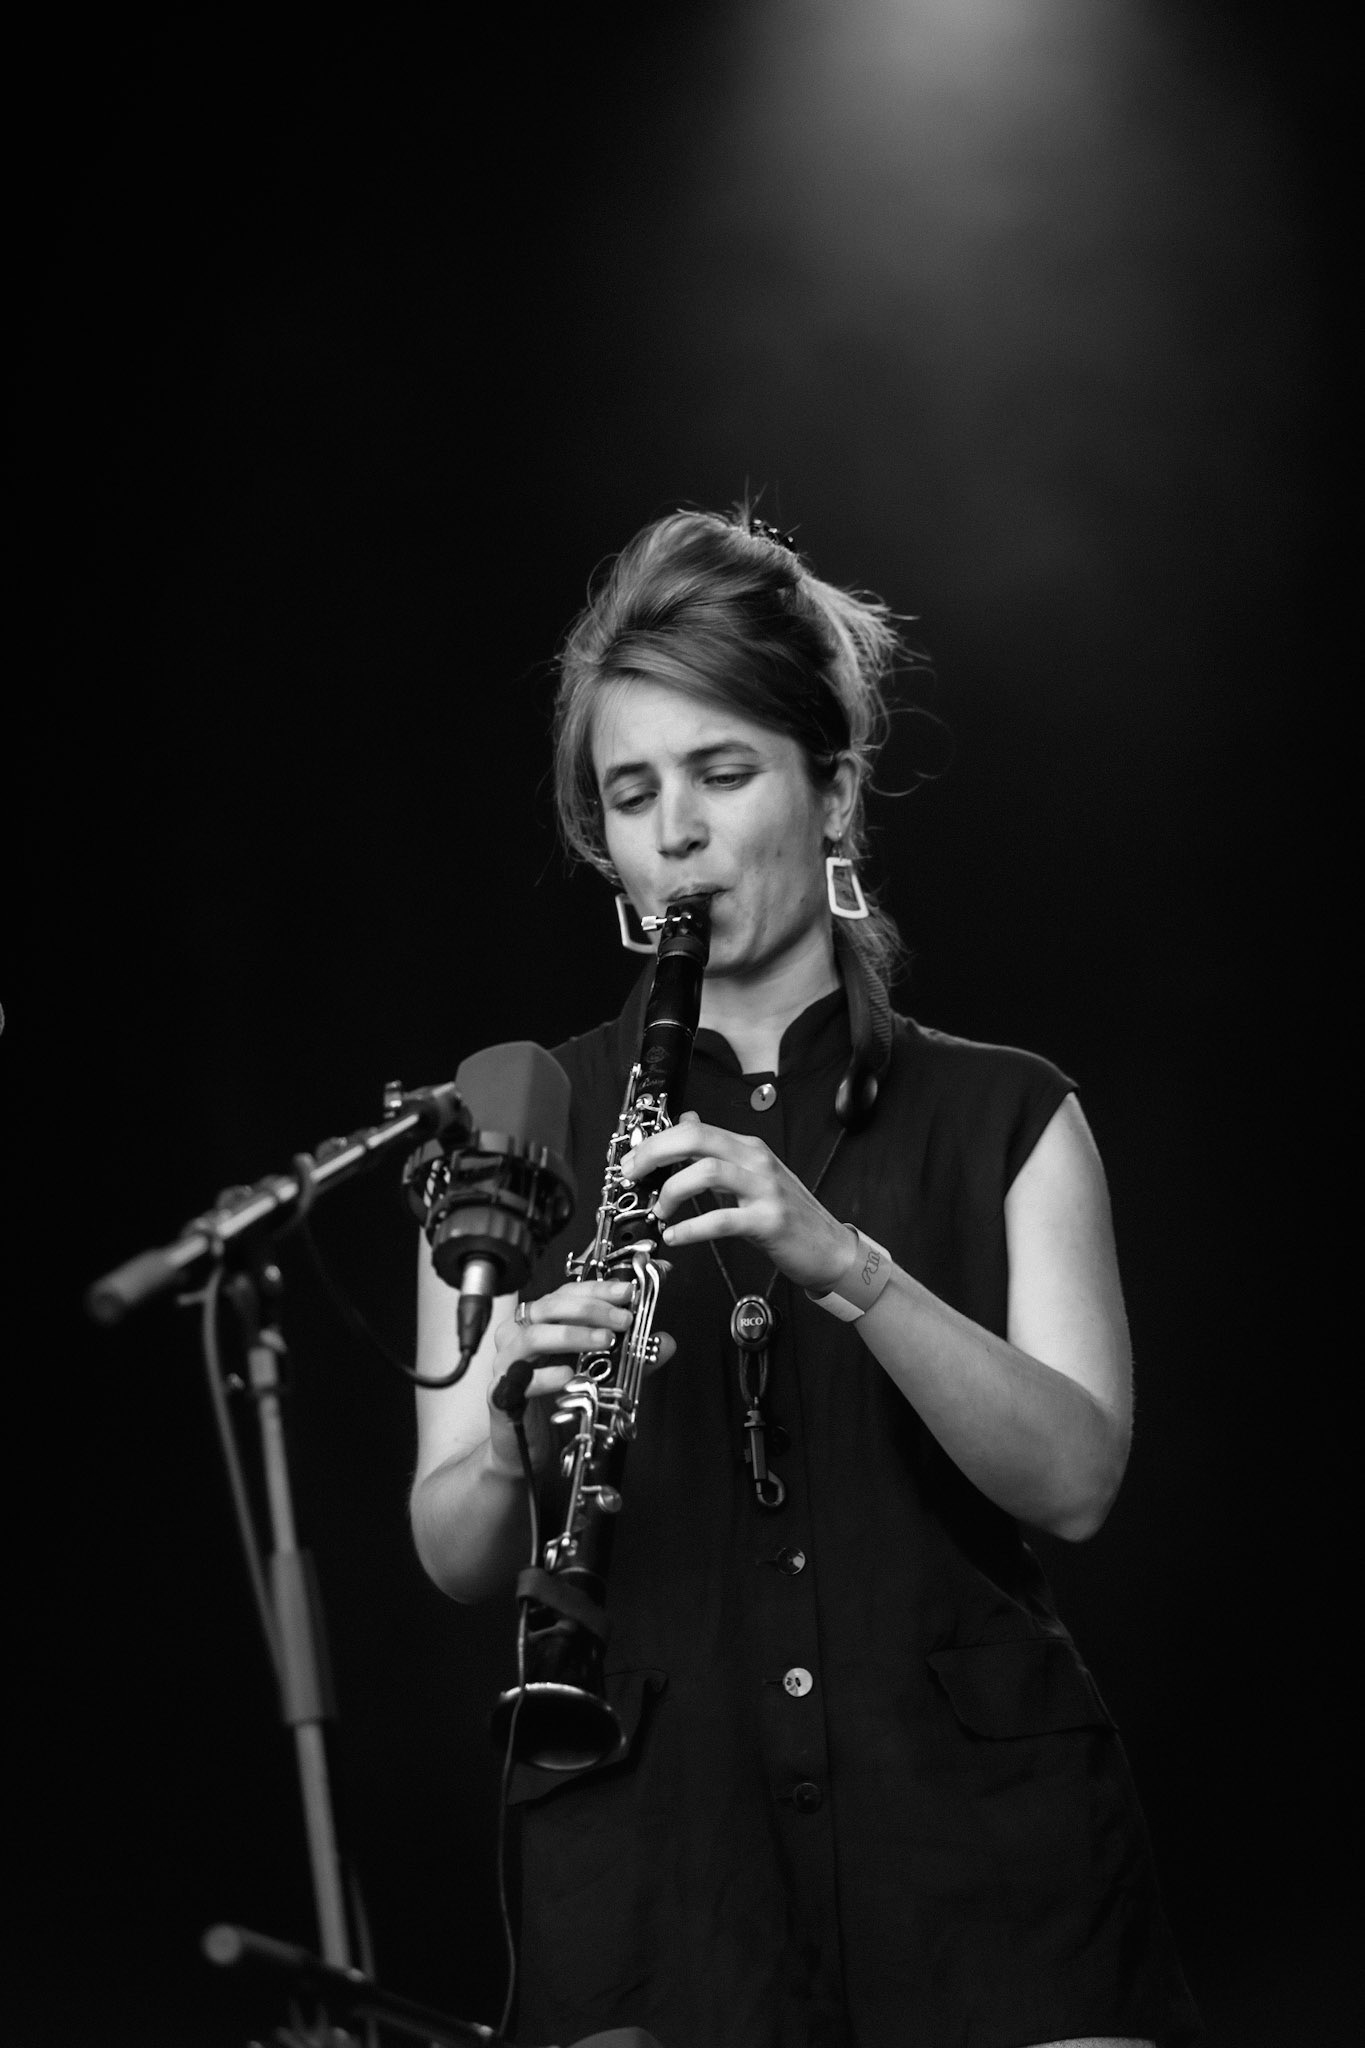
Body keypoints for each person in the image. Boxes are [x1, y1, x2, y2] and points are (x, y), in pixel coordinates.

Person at [410, 509, 1199, 2048]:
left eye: (723, 773)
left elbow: (1077, 1480)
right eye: (632, 795)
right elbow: (453, 1546)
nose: (677, 834)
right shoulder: (517, 1119)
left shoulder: (1010, 1115)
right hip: (653, 1856)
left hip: (981, 1846)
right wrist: (505, 1426)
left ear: (831, 791)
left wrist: (844, 1265)